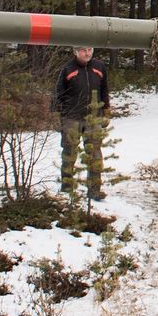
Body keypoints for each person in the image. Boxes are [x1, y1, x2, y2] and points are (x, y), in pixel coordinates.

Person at [54, 46, 109, 200]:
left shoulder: (99, 67)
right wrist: (59, 115)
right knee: (69, 152)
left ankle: (94, 189)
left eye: (90, 49)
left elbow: (104, 90)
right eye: (84, 50)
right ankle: (67, 186)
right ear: (75, 52)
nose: (88, 53)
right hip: (71, 117)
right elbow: (58, 93)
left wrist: (106, 111)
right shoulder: (67, 69)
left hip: (94, 117)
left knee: (95, 153)